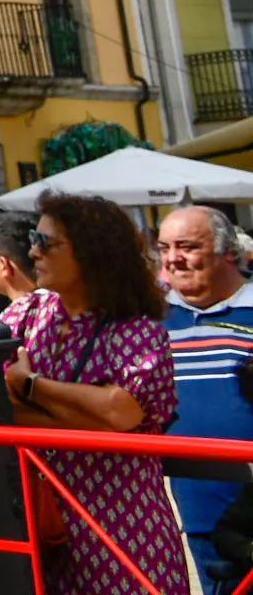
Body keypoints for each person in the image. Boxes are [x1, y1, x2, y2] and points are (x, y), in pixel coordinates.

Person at [4, 192, 183, 595]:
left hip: (125, 530)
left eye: (46, 242)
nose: (33, 251)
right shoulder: (25, 315)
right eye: (34, 238)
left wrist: (33, 386)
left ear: (91, 251)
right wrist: (88, 412)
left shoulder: (135, 328)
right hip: (43, 526)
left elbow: (122, 412)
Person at [159, 204, 253, 590]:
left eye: (186, 246)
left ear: (227, 251)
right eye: (164, 248)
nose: (173, 259)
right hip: (193, 506)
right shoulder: (154, 319)